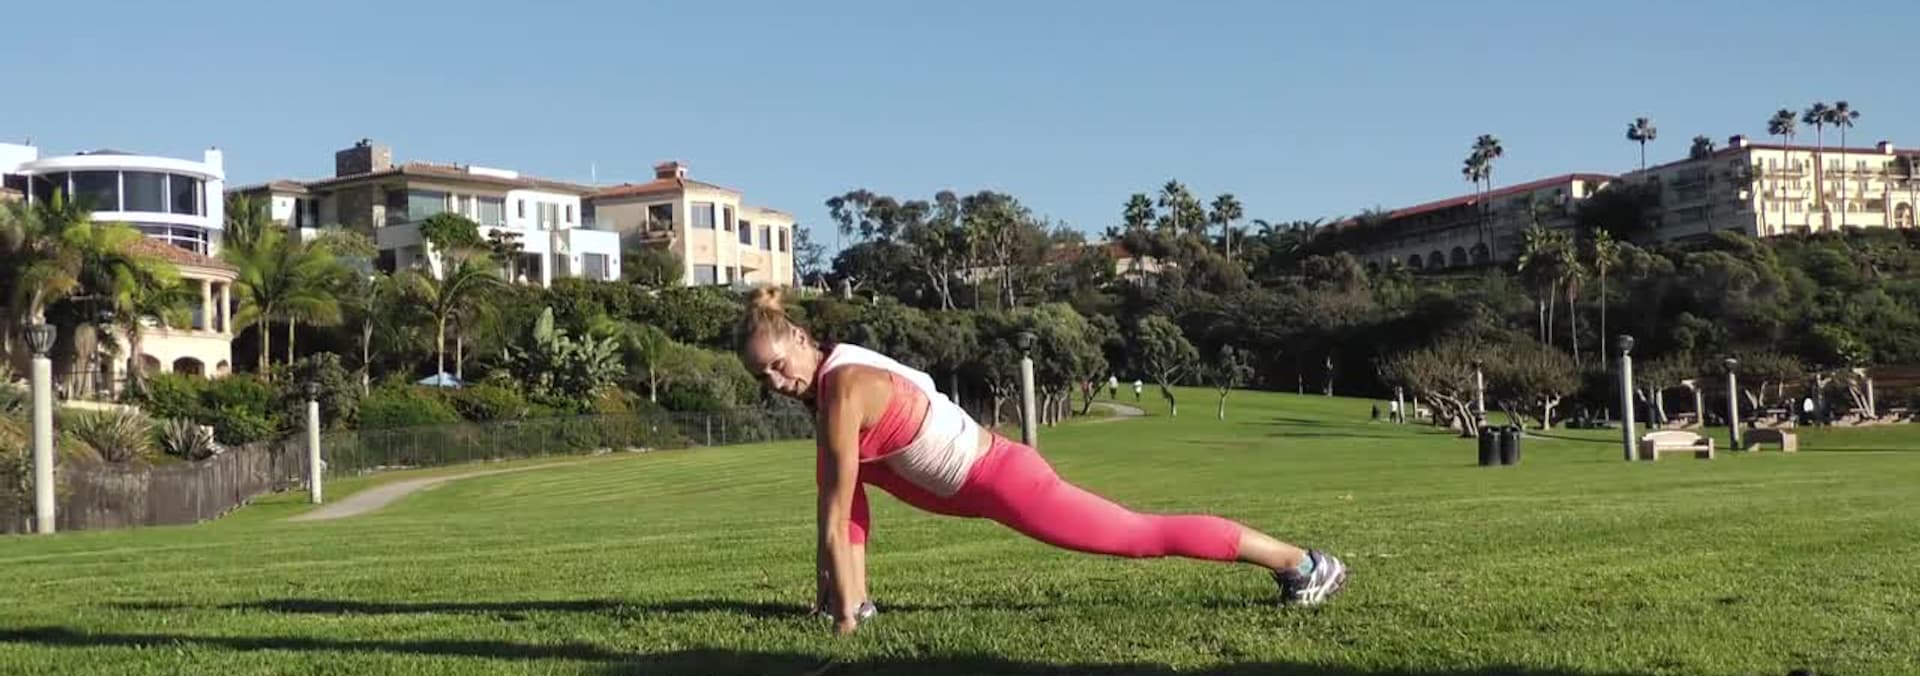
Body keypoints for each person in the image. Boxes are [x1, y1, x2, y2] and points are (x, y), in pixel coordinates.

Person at [736, 287, 1346, 636]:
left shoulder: (843, 389)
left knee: (1137, 535)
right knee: (844, 484)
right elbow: (846, 509)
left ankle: (1303, 564)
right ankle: (855, 600)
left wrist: (842, 620)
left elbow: (836, 512)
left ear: (800, 338)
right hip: (971, 482)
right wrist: (838, 599)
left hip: (1001, 480)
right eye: (762, 377)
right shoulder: (834, 380)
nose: (775, 382)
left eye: (778, 364)